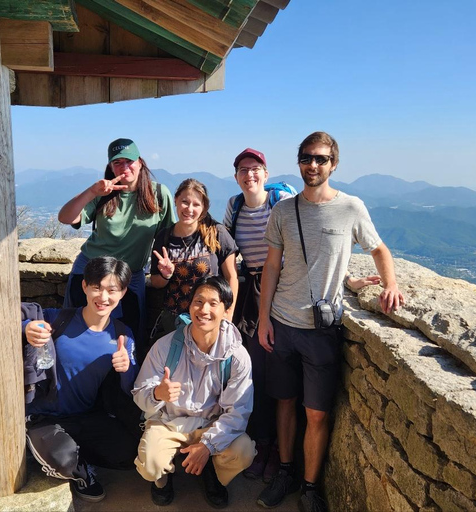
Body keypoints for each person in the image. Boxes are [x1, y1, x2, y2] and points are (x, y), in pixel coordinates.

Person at [256, 132, 405, 511]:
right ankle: (286, 472)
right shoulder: (283, 211)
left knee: (317, 413)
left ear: (334, 164)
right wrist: (263, 318)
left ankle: (309, 487)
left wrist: (390, 285)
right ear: (299, 162)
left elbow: (379, 248)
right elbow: (272, 267)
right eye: (307, 158)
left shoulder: (351, 208)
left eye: (321, 159)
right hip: (283, 322)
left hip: (322, 330)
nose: (313, 165)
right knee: (285, 404)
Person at [22, 256, 141, 503]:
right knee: (63, 460)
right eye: (97, 287)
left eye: (112, 290)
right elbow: (11, 316)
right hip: (44, 417)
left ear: (123, 292)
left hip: (86, 416)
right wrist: (25, 327)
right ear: (84, 286)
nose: (103, 297)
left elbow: (132, 387)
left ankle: (68, 448)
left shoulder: (122, 335)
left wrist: (125, 368)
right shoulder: (58, 319)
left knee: (130, 454)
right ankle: (80, 472)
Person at [132, 276, 255, 509]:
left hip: (211, 424)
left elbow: (238, 411)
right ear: (189, 306)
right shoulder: (166, 346)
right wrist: (158, 394)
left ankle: (213, 472)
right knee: (150, 464)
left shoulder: (237, 357)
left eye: (213, 303)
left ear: (226, 310)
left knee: (244, 451)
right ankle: (162, 480)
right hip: (169, 422)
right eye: (198, 301)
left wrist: (208, 445)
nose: (204, 310)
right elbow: (139, 394)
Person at [58, 138, 175, 352]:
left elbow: (171, 236)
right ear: (111, 166)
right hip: (90, 271)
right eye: (117, 162)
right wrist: (92, 192)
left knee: (128, 339)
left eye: (129, 161)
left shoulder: (158, 194)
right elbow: (65, 217)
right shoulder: (103, 193)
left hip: (130, 276)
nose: (124, 167)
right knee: (77, 333)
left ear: (140, 163)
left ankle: (122, 382)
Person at [222, 148, 294, 483]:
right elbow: (222, 250)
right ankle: (261, 445)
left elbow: (307, 240)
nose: (249, 175)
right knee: (253, 371)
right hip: (249, 297)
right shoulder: (233, 207)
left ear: (266, 174)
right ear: (236, 176)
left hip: (283, 292)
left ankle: (277, 451)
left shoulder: (281, 201)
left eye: (255, 169)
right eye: (243, 170)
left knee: (277, 371)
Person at [149, 178, 239, 340]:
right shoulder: (165, 236)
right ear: (175, 200)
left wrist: (228, 313)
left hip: (208, 316)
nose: (189, 209)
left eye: (196, 204)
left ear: (204, 207)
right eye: (184, 202)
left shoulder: (217, 233)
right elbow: (156, 282)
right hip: (175, 319)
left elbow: (232, 276)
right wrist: (165, 275)